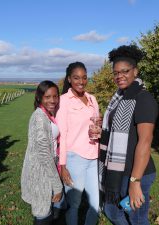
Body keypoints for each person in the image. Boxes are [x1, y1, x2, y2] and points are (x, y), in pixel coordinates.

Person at [98, 45, 158, 225]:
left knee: (137, 219)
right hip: (119, 171)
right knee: (112, 211)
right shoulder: (120, 98)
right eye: (116, 73)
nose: (119, 76)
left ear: (135, 71)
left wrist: (135, 181)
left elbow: (145, 141)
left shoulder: (143, 98)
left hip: (136, 172)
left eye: (125, 71)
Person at [56, 62, 100, 225]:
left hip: (93, 157)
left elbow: (95, 124)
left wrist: (98, 130)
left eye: (84, 77)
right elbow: (62, 135)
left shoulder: (92, 99)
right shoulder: (64, 101)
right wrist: (63, 166)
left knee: (96, 204)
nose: (81, 81)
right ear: (69, 79)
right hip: (74, 158)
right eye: (76, 78)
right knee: (74, 204)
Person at [21, 80, 63, 225]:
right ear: (40, 98)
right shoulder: (39, 118)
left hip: (48, 171)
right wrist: (57, 185)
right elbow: (44, 155)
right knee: (42, 214)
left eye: (55, 96)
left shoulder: (47, 115)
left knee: (47, 210)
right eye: (48, 97)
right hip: (41, 174)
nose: (53, 100)